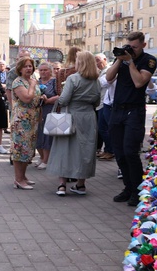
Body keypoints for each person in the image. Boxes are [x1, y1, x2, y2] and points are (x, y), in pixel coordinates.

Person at [105, 31, 157, 205]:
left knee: (130, 152)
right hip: (117, 110)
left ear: (143, 45)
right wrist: (120, 59)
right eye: (130, 46)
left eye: (135, 47)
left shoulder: (148, 60)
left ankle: (137, 190)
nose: (131, 50)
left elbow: (139, 82)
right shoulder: (123, 58)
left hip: (134, 111)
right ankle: (128, 188)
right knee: (119, 153)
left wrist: (130, 62)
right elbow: (109, 78)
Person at [47, 51, 102, 196]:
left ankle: (62, 185)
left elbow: (64, 99)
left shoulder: (73, 79)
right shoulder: (96, 81)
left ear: (81, 63)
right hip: (89, 117)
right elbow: (97, 102)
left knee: (65, 148)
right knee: (85, 149)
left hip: (71, 116)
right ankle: (80, 184)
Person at [10, 56, 42, 189]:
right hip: (22, 120)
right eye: (26, 66)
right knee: (20, 149)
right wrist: (33, 86)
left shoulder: (31, 80)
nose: (29, 68)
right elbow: (27, 98)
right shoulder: (18, 82)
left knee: (28, 149)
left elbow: (35, 96)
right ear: (20, 69)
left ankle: (23, 176)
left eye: (30, 66)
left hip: (33, 119)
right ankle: (18, 179)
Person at [34, 62, 59, 169]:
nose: (43, 72)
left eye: (45, 70)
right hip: (38, 111)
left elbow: (60, 95)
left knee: (47, 135)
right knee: (37, 134)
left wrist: (48, 100)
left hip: (50, 110)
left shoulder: (54, 81)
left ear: (50, 71)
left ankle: (46, 160)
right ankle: (41, 156)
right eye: (41, 70)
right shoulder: (36, 82)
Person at [97, 54, 116, 161]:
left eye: (98, 60)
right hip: (103, 102)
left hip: (107, 103)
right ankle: (108, 150)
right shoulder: (102, 71)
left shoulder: (108, 70)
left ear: (105, 59)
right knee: (102, 128)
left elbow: (101, 83)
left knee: (105, 128)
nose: (96, 63)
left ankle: (111, 151)